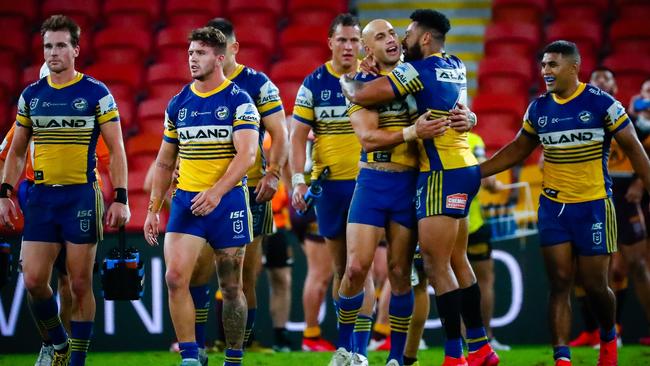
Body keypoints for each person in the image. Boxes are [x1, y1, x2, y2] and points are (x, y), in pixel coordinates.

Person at [341, 9, 497, 366]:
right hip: (451, 169)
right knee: (453, 262)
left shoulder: (416, 69)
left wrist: (351, 80)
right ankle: (479, 346)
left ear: (424, 38)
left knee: (429, 268)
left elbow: (359, 95)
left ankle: (450, 354)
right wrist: (469, 118)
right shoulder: (455, 63)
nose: (400, 39)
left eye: (404, 33)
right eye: (385, 36)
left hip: (433, 174)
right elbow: (462, 109)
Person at [480, 40, 650, 366]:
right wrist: (476, 172)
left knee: (596, 286)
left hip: (594, 206)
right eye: (543, 65)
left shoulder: (604, 105)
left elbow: (636, 152)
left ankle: (608, 338)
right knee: (559, 283)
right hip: (554, 209)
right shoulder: (539, 108)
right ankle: (562, 358)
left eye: (553, 65)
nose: (545, 71)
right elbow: (517, 149)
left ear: (574, 67)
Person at [0, 15, 130, 366]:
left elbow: (116, 149)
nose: (53, 52)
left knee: (79, 284)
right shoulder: (31, 95)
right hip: (41, 197)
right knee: (33, 280)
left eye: (60, 45)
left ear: (75, 49)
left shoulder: (96, 93)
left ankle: (75, 362)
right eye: (47, 46)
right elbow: (15, 150)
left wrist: (121, 196)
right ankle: (57, 343)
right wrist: (5, 192)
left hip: (80, 197)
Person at [171, 17, 288, 359]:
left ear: (230, 49)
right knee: (199, 271)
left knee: (243, 276)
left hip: (249, 190)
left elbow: (279, 133)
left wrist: (274, 173)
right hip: (202, 192)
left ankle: (240, 345)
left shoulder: (257, 84)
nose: (196, 57)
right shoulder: (199, 84)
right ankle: (201, 344)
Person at [336, 19, 451, 366]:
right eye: (380, 37)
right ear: (367, 50)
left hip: (408, 184)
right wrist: (412, 131)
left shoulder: (417, 76)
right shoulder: (361, 84)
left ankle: (397, 358)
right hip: (372, 183)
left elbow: (451, 105)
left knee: (401, 273)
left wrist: (469, 117)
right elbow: (368, 138)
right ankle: (346, 350)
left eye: (392, 34)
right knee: (355, 268)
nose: (391, 40)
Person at [143, 27, 260, 366]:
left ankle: (234, 358)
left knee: (232, 286)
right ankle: (191, 356)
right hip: (187, 204)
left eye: (201, 53)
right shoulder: (179, 102)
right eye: (190, 52)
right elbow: (165, 161)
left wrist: (216, 192)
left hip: (228, 203)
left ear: (220, 57)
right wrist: (152, 209)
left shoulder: (239, 100)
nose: (192, 58)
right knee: (174, 278)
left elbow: (247, 155)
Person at [289, 13, 375, 364]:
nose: (349, 46)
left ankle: (358, 351)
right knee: (342, 270)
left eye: (355, 40)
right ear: (330, 42)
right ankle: (347, 349)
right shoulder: (314, 83)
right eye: (342, 40)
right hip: (329, 187)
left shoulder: (375, 79)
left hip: (370, 183)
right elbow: (296, 137)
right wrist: (298, 179)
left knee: (360, 269)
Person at [570, 67, 631, 348]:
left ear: (616, 86)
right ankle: (592, 329)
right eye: (596, 79)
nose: (601, 82)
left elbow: (639, 153)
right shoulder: (577, 116)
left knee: (615, 268)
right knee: (578, 271)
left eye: (607, 78)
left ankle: (613, 329)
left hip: (617, 195)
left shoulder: (625, 118)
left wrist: (641, 185)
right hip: (580, 195)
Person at [465, 132, 509, 352]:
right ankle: (485, 338)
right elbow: (489, 180)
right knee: (483, 281)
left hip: (444, 221)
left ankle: (461, 340)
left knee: (451, 281)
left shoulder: (430, 133)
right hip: (472, 222)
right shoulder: (473, 140)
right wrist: (495, 185)